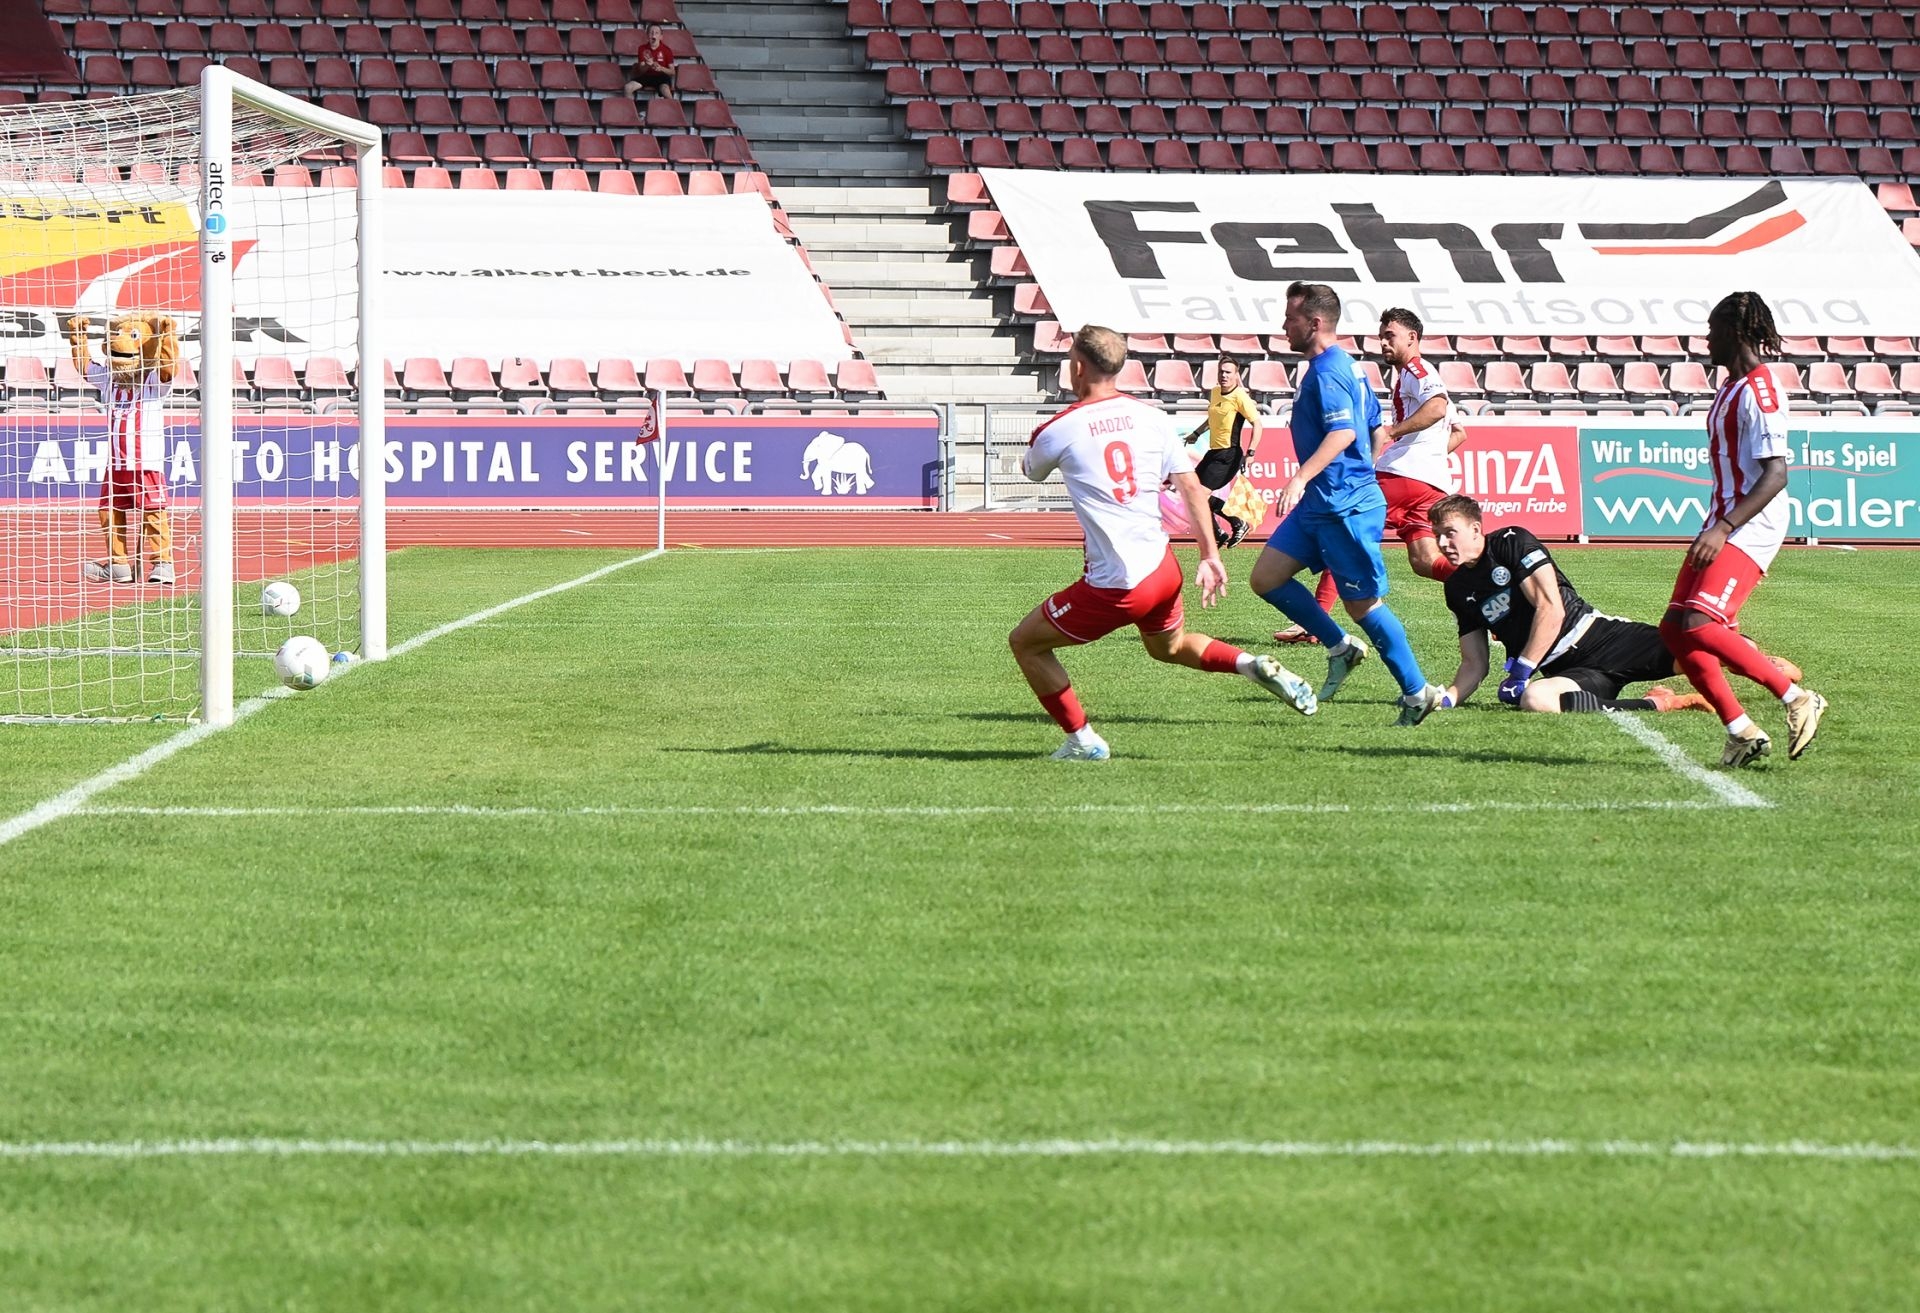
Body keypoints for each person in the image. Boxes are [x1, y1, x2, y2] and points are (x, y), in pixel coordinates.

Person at [1009, 325, 1317, 761]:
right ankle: (1251, 664)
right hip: (1162, 567)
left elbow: (1031, 470)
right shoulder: (1152, 417)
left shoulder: (1060, 428)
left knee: (1026, 642)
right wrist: (1209, 555)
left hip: (1117, 582)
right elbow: (1192, 489)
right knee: (1167, 647)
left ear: (1077, 367)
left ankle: (1082, 741)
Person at [1246, 282, 1443, 726]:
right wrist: (1362, 468)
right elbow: (1375, 426)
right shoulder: (1345, 367)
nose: (1284, 325)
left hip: (1343, 508)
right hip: (1322, 504)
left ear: (1315, 323)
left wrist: (1302, 478)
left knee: (1364, 606)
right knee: (1266, 579)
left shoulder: (1330, 372)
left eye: (1291, 318)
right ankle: (1340, 647)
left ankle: (1417, 693)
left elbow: (1344, 433)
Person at [1657, 291, 1826, 767]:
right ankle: (1740, 731)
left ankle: (1797, 697)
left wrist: (1724, 527)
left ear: (1733, 332)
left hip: (1751, 523)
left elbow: (1776, 474)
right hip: (1724, 519)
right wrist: (1717, 524)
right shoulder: (1731, 387)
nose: (1706, 341)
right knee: (1675, 629)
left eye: (1712, 332)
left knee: (1699, 623)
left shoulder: (1761, 391)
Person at [1277, 306, 1467, 643]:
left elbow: (1437, 408)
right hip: (1433, 484)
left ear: (1412, 337)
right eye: (1381, 336)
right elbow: (1459, 433)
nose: (1383, 343)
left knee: (1342, 528)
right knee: (1424, 561)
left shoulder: (1417, 370)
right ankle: (1491, 591)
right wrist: (1429, 457)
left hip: (1403, 476)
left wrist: (1393, 433)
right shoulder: (1421, 376)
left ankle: (1314, 623)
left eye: (1390, 336)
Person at [1428, 494, 1711, 714]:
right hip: (1568, 672)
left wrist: (1520, 672)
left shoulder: (1510, 542)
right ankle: (1662, 703)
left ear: (1475, 529)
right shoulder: (1456, 588)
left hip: (1602, 638)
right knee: (1536, 699)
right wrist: (1447, 699)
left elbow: (1551, 609)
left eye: (1450, 532)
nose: (1442, 542)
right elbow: (1474, 662)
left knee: (1711, 652)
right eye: (1437, 534)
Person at [68, 310, 179, 586]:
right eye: (116, 335)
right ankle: (118, 566)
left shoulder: (152, 381)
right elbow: (85, 367)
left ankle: (163, 564)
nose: (119, 341)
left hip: (146, 461)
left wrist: (166, 335)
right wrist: (78, 336)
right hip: (116, 462)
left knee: (152, 510)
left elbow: (168, 369)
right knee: (109, 510)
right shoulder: (109, 378)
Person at [1183, 353, 1263, 548]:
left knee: (1200, 494)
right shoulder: (1216, 392)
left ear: (1236, 375)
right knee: (1192, 492)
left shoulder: (1240, 397)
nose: (1224, 375)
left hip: (1229, 454)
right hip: (1214, 452)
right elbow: (1212, 419)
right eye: (1221, 372)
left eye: (1228, 372)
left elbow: (1257, 424)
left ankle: (1238, 523)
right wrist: (1197, 433)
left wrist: (1251, 453)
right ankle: (1218, 534)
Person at [624, 24, 676, 97]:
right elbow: (641, 70)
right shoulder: (642, 48)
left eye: (656, 33)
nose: (653, 35)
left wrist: (661, 68)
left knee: (665, 90)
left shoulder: (667, 50)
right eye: (651, 33)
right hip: (646, 76)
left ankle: (672, 104)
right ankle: (630, 105)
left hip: (661, 77)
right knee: (627, 87)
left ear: (661, 37)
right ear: (647, 36)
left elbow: (672, 72)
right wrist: (647, 65)